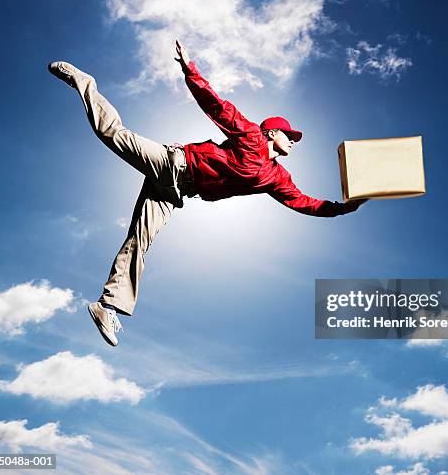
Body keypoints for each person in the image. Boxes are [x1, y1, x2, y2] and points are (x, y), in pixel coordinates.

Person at [48, 39, 366, 347]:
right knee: (113, 133)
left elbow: (303, 202)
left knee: (138, 242)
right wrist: (190, 68)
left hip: (175, 191)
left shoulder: (276, 177)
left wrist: (342, 208)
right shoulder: (251, 135)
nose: (293, 141)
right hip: (173, 162)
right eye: (289, 135)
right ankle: (83, 80)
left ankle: (107, 307)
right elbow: (214, 104)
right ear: (272, 131)